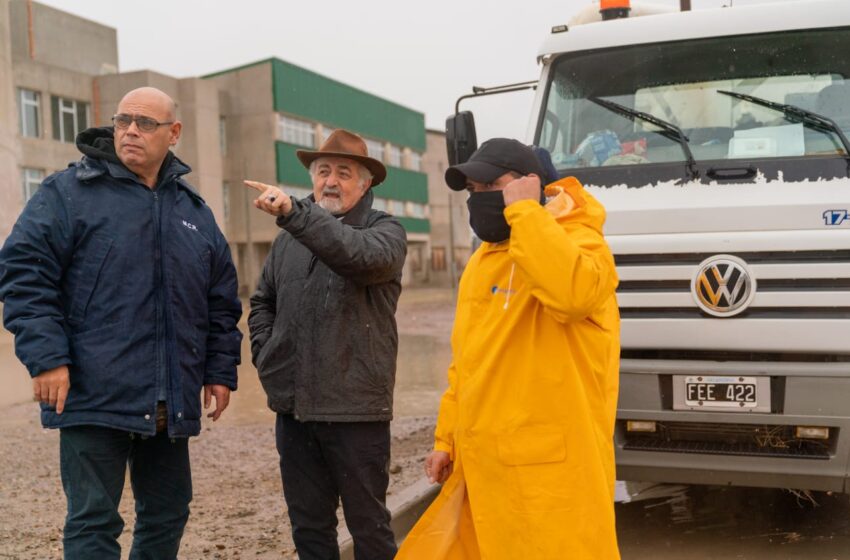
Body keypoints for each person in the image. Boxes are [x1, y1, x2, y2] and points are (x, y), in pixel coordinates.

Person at [0, 87, 242, 560]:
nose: (131, 130)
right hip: (92, 390)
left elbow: (219, 300)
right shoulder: (68, 193)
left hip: (167, 398)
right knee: (93, 519)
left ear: (173, 133)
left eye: (146, 123)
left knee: (169, 511)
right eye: (123, 119)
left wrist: (218, 370)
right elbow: (24, 274)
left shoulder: (193, 212)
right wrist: (47, 358)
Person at [396, 138, 622, 560]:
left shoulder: (580, 241)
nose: (479, 199)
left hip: (553, 475)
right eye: (473, 191)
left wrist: (525, 214)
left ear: (530, 184)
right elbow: (466, 363)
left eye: (490, 186)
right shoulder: (482, 263)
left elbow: (574, 294)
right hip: (487, 468)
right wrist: (446, 438)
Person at [244, 129, 407, 560]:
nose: (330, 182)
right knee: (310, 530)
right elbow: (262, 303)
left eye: (343, 172)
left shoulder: (385, 231)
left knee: (369, 530)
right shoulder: (286, 242)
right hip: (295, 412)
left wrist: (295, 215)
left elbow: (355, 255)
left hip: (357, 413)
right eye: (322, 171)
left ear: (366, 182)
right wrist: (267, 356)